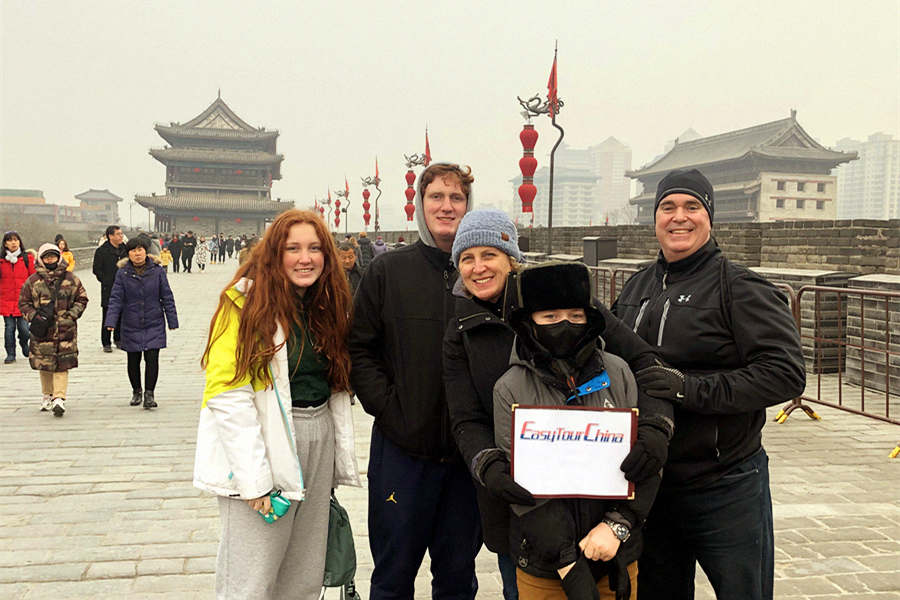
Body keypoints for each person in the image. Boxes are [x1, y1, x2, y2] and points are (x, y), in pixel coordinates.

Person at [443, 210, 671, 600]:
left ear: (510, 258)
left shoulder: (564, 299)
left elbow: (646, 365)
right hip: (524, 505)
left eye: (490, 255)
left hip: (601, 507)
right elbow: (465, 417)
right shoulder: (461, 331)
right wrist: (488, 464)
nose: (479, 267)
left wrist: (655, 427)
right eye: (467, 258)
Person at [611, 169, 806, 600]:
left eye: (691, 207)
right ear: (655, 218)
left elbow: (785, 373)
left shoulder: (740, 287)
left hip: (725, 484)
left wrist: (686, 388)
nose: (679, 217)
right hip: (653, 485)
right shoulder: (637, 286)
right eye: (668, 207)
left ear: (709, 217)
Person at [194, 209, 361, 598]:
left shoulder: (324, 307)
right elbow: (227, 395)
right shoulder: (243, 306)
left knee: (304, 573)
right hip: (264, 441)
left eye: (316, 248)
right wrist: (253, 481)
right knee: (252, 576)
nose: (306, 258)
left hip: (317, 437)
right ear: (273, 254)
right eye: (294, 248)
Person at [350, 161, 482, 599]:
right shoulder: (388, 272)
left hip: (468, 459)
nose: (447, 207)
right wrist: (391, 410)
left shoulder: (485, 275)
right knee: (392, 575)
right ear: (420, 205)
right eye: (437, 197)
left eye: (456, 198)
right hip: (401, 453)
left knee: (458, 577)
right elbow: (360, 349)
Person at [492, 261, 661, 599]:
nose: (564, 325)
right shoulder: (509, 388)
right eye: (550, 317)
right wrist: (568, 562)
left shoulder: (619, 372)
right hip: (545, 564)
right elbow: (521, 486)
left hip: (615, 553)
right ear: (530, 323)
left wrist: (618, 525)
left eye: (575, 315)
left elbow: (645, 462)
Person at [105, 236, 178, 409]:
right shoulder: (122, 273)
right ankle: (137, 390)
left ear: (146, 251)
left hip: (154, 320)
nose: (137, 254)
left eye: (140, 250)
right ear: (128, 254)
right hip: (131, 321)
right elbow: (116, 298)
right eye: (133, 251)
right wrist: (111, 321)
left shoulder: (158, 271)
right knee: (133, 358)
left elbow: (166, 295)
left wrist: (172, 319)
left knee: (152, 358)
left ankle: (149, 394)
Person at [19, 243, 88, 416]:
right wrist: (34, 316)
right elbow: (23, 303)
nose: (50, 259)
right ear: (41, 259)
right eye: (47, 257)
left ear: (59, 257)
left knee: (62, 364)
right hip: (42, 330)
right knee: (45, 364)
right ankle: (47, 395)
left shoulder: (71, 279)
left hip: (65, 329)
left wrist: (71, 315)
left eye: (53, 256)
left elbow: (82, 298)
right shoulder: (33, 281)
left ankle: (59, 397)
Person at [1, 231, 36, 364]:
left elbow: (33, 279)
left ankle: (24, 343)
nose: (13, 243)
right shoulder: (1, 261)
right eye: (10, 240)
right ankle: (11, 353)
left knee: (24, 329)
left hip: (23, 301)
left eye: (16, 240)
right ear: (5, 244)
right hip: (6, 300)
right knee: (9, 328)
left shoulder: (27, 259)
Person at [92, 225, 127, 352]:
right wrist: (105, 280)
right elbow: (96, 269)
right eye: (118, 234)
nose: (121, 236)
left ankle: (119, 339)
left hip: (124, 287)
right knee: (108, 313)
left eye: (121, 234)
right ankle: (106, 342)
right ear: (110, 236)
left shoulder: (125, 249)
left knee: (122, 314)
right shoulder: (102, 251)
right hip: (109, 287)